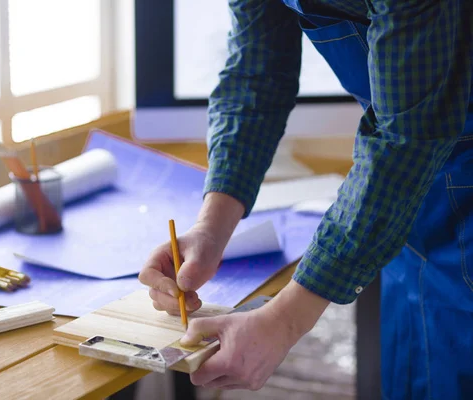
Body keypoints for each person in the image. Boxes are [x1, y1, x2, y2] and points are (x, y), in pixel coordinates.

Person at [139, 0, 473, 397]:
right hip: (406, 208)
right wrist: (211, 227)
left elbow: (406, 138)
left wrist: (284, 321)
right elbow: (255, 75)